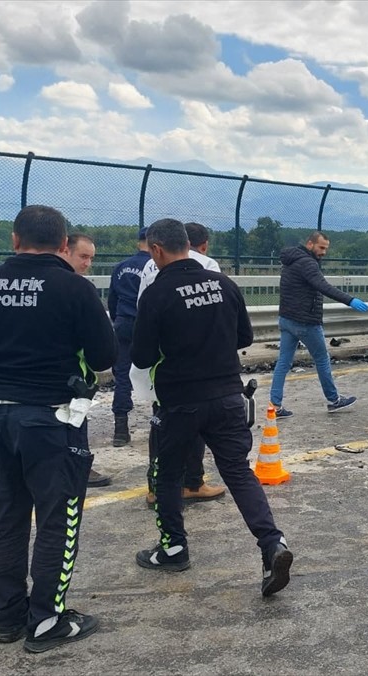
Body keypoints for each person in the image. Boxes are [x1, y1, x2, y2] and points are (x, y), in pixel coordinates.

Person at [0, 204, 116, 653]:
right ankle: (47, 619)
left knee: (5, 521)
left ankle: (7, 616)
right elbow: (105, 357)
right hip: (51, 417)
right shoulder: (74, 288)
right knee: (57, 520)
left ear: (13, 240)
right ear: (64, 244)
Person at [130, 218, 293, 598]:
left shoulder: (157, 293)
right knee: (237, 471)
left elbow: (140, 354)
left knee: (168, 474)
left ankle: (173, 548)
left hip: (180, 400)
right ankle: (272, 544)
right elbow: (245, 337)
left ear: (155, 250)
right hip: (227, 394)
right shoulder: (224, 284)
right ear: (190, 244)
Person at [134, 221, 226, 506]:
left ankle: (155, 486)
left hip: (160, 362)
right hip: (198, 363)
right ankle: (192, 483)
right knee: (196, 424)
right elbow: (215, 313)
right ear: (199, 244)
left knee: (160, 422)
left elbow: (142, 309)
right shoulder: (208, 265)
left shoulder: (150, 266)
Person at [269, 231, 368, 418]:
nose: (324, 252)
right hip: (306, 322)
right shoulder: (308, 263)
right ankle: (333, 400)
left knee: (283, 362)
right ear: (310, 244)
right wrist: (350, 300)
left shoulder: (290, 261)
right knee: (322, 359)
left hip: (286, 319)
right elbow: (324, 286)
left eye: (326, 248)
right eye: (321, 247)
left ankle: (275, 405)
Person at [57, 235, 112, 489]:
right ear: (64, 250)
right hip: (69, 377)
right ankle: (80, 466)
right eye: (83, 256)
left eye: (91, 258)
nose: (88, 263)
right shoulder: (76, 288)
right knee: (73, 422)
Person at [107, 227, 151, 446]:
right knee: (157, 372)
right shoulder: (154, 266)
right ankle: (158, 422)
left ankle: (120, 430)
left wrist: (118, 321)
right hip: (147, 326)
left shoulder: (122, 267)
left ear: (138, 243)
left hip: (123, 323)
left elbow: (112, 300)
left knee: (122, 376)